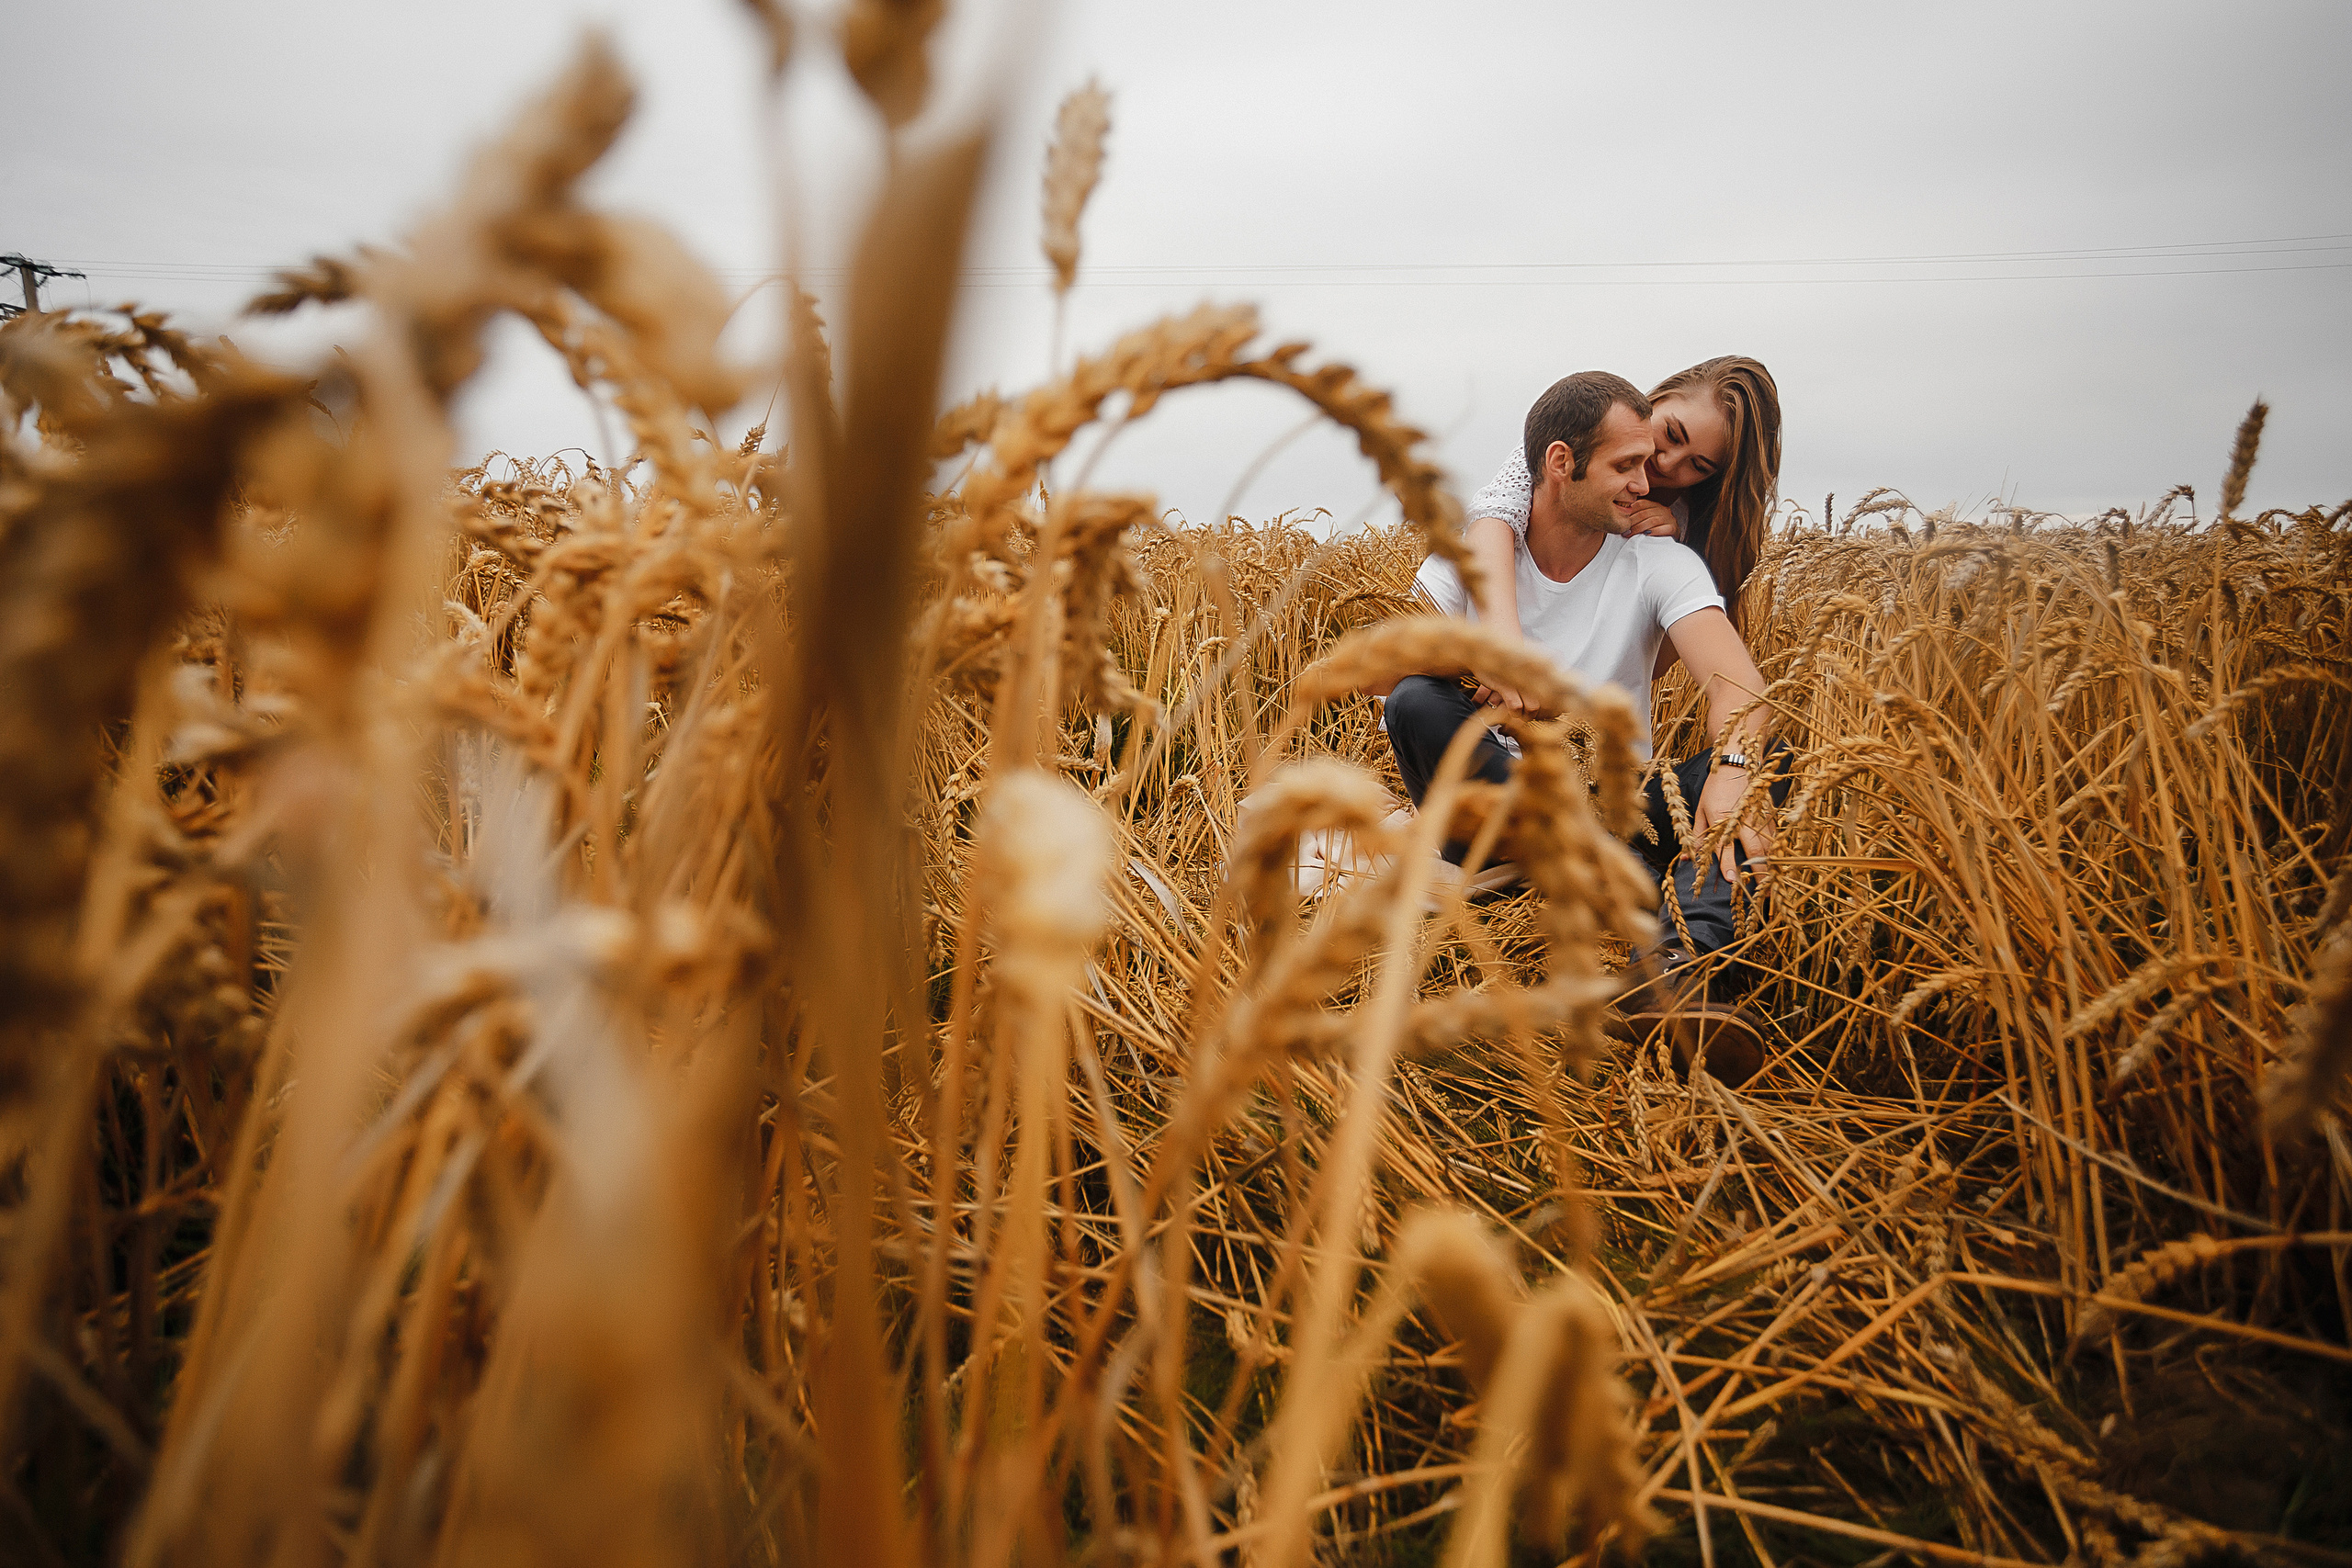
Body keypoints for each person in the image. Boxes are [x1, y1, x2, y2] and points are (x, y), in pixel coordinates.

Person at [1364, 370, 1782, 1080]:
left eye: (1690, 465)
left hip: (1618, 797)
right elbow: (1377, 672)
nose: (1653, 478)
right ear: (1562, 462)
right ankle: (1636, 883)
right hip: (1498, 800)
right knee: (1415, 702)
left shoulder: (1661, 558)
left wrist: (1734, 769)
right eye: (1636, 458)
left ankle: (1679, 973)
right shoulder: (1478, 546)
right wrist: (1486, 655)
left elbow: (1738, 685)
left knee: (1768, 757)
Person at [1460, 355, 1781, 671]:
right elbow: (1491, 521)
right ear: (1656, 400)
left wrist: (1677, 543)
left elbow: (1651, 664)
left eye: (1698, 465)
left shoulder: (1697, 525)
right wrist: (1508, 654)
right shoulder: (1574, 442)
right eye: (1671, 433)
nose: (1667, 462)